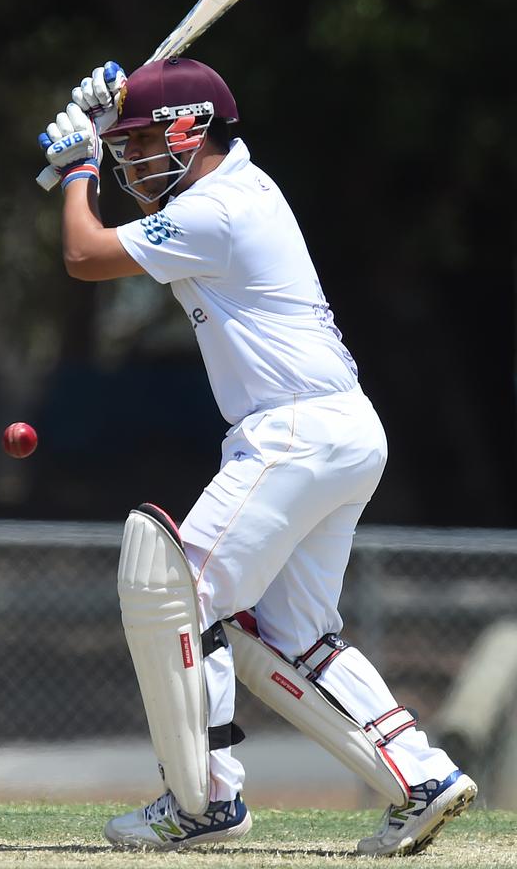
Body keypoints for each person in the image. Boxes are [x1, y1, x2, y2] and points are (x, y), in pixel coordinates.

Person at [38, 57, 477, 854]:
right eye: (125, 148)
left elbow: (84, 254)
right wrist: (107, 128)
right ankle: (421, 778)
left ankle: (203, 803)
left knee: (178, 592)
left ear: (190, 131)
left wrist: (79, 167)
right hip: (341, 430)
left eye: (143, 144)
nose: (132, 163)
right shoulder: (238, 192)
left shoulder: (221, 208)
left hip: (293, 433)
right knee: (288, 633)